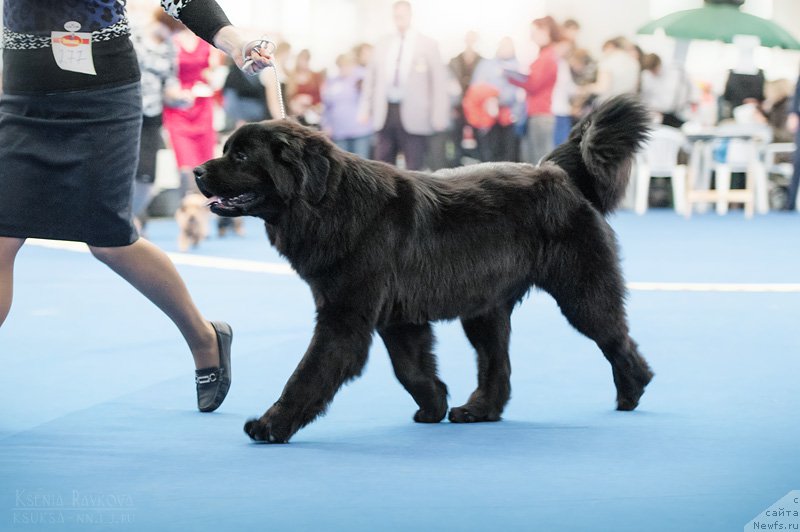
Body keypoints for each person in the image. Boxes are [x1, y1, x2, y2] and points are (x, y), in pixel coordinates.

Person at [0, 0, 272, 413]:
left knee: (109, 240)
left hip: (102, 100)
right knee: (2, 236)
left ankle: (203, 336)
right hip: (23, 99)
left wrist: (234, 40)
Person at [359, 0, 449, 171]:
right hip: (385, 112)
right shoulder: (382, 43)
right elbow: (371, 79)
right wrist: (364, 109)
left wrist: (439, 115)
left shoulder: (428, 44)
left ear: (410, 15)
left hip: (416, 114)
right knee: (383, 165)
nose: (399, 19)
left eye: (403, 15)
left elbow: (438, 82)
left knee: (414, 166)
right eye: (396, 15)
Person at [506, 16, 560, 165]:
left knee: (540, 160)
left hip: (541, 114)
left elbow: (534, 84)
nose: (532, 36)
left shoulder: (548, 56)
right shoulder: (544, 55)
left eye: (536, 32)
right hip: (536, 113)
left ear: (546, 31)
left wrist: (512, 78)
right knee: (533, 157)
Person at [466, 37, 523, 162]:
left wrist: (499, 99)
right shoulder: (485, 65)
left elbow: (520, 92)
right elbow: (475, 89)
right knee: (489, 156)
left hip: (511, 119)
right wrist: (491, 98)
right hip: (487, 120)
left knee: (510, 155)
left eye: (508, 46)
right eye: (502, 45)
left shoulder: (519, 67)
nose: (505, 49)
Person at [321, 53, 373, 159]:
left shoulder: (361, 78)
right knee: (343, 165)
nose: (344, 68)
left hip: (360, 131)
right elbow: (327, 106)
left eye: (347, 65)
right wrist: (326, 124)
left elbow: (369, 96)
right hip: (339, 132)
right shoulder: (332, 81)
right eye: (341, 65)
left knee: (361, 165)